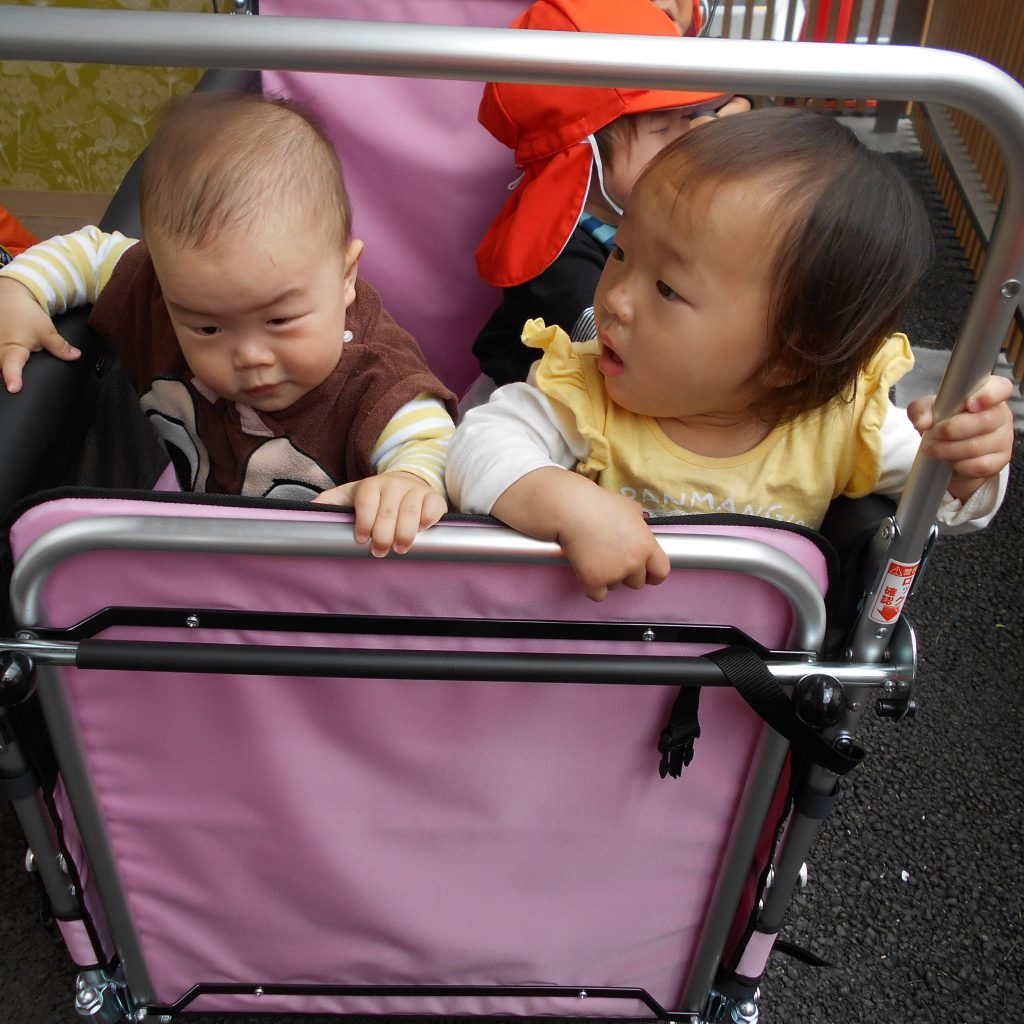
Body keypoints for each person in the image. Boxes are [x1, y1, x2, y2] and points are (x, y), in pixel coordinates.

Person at [447, 108, 1014, 601]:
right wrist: (567, 503)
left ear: (791, 357)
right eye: (621, 252)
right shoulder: (585, 391)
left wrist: (967, 467)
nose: (615, 299)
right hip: (599, 666)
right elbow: (474, 447)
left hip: (746, 685)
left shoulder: (840, 424)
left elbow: (943, 501)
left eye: (667, 289)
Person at [0, 90, 458, 559]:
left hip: (340, 577)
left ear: (346, 277)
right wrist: (18, 291)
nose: (250, 356)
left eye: (279, 320)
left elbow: (432, 444)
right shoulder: (158, 289)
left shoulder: (379, 381)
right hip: (217, 549)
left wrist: (407, 482)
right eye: (208, 329)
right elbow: (87, 253)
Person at [471, 0, 751, 390]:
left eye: (686, 118)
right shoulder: (561, 259)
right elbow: (625, 348)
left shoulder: (636, 201)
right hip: (543, 406)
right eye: (662, 130)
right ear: (585, 153)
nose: (687, 139)